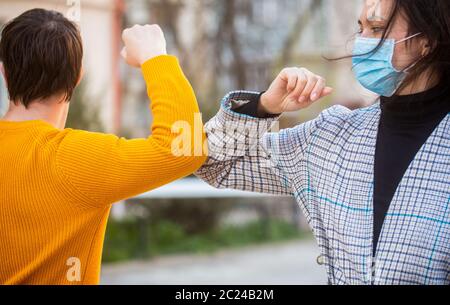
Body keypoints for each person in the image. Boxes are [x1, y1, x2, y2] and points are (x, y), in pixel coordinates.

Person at [196, 0, 450, 285]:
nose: (361, 43)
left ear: (428, 40)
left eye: (377, 28)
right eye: (361, 28)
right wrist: (263, 105)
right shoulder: (330, 136)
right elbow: (210, 161)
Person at [0, 9, 206, 284]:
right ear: (78, 76)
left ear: (4, 72)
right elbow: (186, 149)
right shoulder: (73, 159)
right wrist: (155, 57)